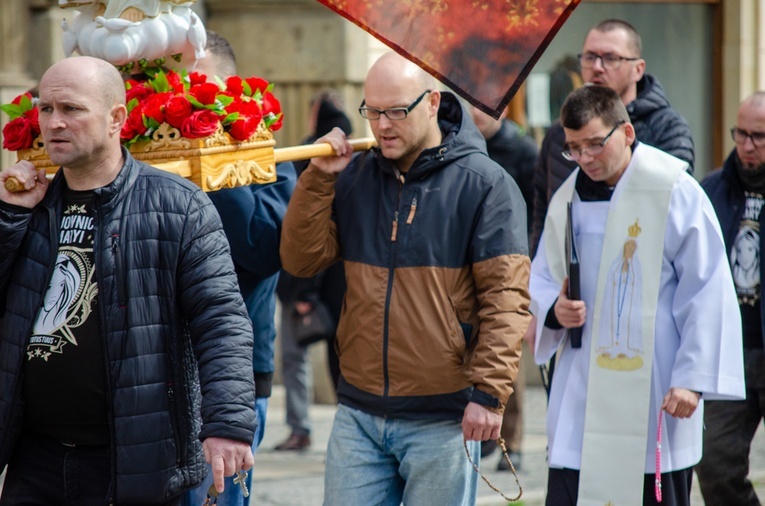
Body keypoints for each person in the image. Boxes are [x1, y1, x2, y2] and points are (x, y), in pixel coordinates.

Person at [0, 56, 256, 504]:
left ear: (117, 117)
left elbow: (221, 321)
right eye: (45, 109)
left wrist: (228, 425)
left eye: (72, 109)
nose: (54, 123)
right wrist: (8, 217)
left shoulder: (179, 206)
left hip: (136, 461)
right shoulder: (26, 205)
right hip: (33, 459)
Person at [280, 51, 531, 505]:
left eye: (397, 110)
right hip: (358, 410)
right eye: (372, 111)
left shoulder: (486, 185)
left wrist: (490, 394)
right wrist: (317, 180)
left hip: (444, 414)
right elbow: (301, 260)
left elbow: (507, 299)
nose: (382, 125)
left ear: (433, 102)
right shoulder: (354, 176)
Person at [530, 85, 744, 506]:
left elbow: (707, 288)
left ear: (626, 133)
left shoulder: (672, 190)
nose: (585, 159)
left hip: (656, 391)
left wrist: (691, 379)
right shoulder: (568, 197)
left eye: (595, 144)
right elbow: (541, 279)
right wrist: (556, 311)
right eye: (574, 149)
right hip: (583, 397)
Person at [181, 31, 297, 506]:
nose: (187, 103)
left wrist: (214, 152)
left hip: (233, 379)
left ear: (232, 88)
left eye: (200, 88)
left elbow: (262, 248)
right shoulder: (157, 153)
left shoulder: (266, 155)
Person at [531, 19, 695, 253]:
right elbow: (543, 219)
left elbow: (675, 213)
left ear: (638, 68)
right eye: (589, 57)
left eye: (611, 58)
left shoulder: (667, 128)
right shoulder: (559, 133)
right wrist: (547, 284)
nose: (597, 67)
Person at [696, 91, 765, 505]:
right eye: (740, 133)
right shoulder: (711, 190)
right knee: (714, 464)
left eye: (758, 136)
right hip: (728, 350)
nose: (746, 145)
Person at [273, 89, 351, 452]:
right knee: (339, 360)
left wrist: (304, 291)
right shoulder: (354, 151)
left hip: (311, 282)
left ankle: (303, 428)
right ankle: (339, 428)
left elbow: (314, 225)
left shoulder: (314, 153)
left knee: (296, 360)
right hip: (336, 284)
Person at [470, 104, 538, 471]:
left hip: (513, 264)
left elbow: (536, 211)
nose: (475, 114)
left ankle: (515, 443)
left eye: (483, 108)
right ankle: (485, 441)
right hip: (474, 266)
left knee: (509, 362)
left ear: (504, 108)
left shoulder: (523, 151)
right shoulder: (464, 147)